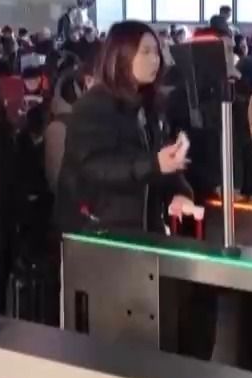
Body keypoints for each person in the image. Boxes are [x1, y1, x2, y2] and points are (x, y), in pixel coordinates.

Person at [55, 21, 192, 235]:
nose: (155, 59)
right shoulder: (93, 106)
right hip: (99, 231)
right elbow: (95, 166)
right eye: (145, 52)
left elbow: (162, 162)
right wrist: (154, 164)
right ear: (120, 56)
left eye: (157, 52)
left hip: (144, 228)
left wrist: (179, 192)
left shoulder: (150, 106)